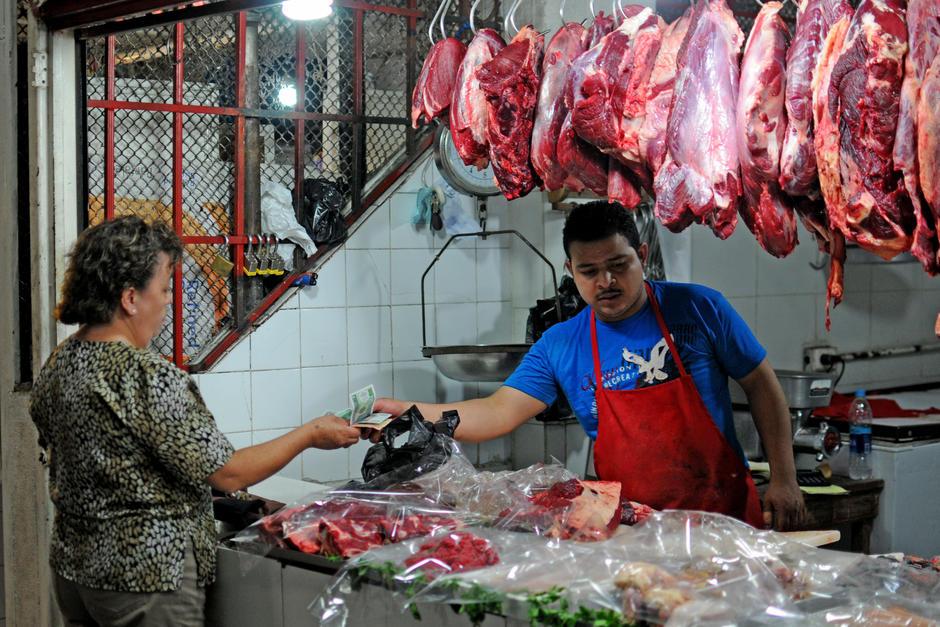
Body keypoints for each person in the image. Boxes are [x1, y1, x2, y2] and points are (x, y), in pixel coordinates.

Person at [375, 201, 805, 530]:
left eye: (619, 265)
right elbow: (497, 411)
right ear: (570, 270)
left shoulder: (698, 308)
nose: (607, 282)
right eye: (590, 271)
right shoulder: (561, 344)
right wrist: (409, 415)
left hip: (722, 517)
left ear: (641, 253)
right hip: (631, 528)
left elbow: (761, 385)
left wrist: (786, 478)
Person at [30, 216, 360, 626]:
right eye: (165, 289)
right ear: (130, 298)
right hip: (145, 577)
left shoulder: (61, 363)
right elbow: (228, 473)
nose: (169, 301)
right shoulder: (145, 375)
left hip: (75, 570)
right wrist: (311, 433)